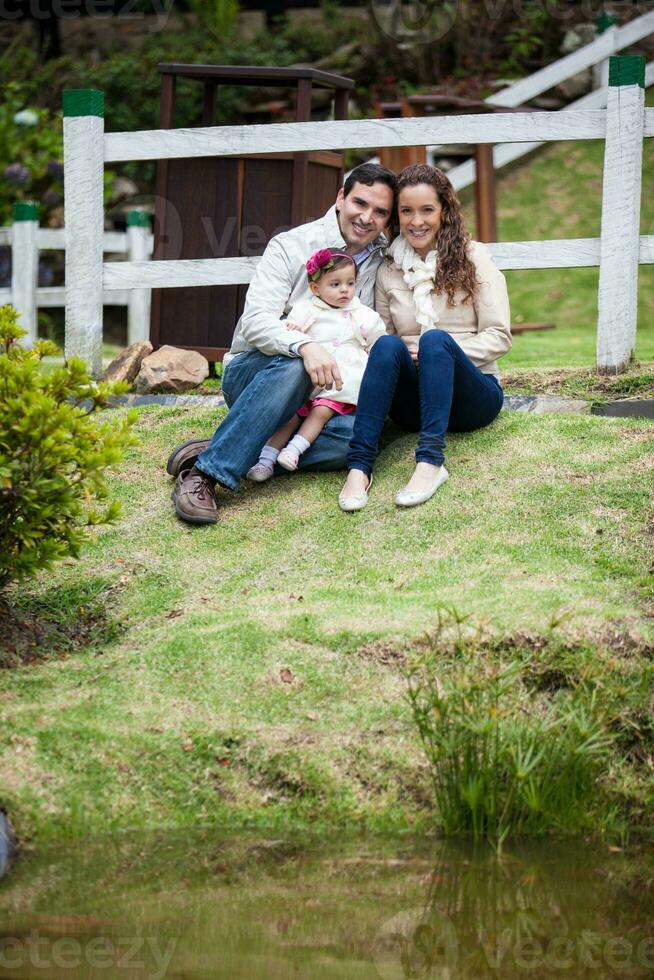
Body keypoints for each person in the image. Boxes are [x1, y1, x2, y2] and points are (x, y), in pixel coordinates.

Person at [167, 162, 397, 525]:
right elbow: (256, 323)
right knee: (296, 367)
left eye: (380, 212)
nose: (367, 217)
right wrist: (305, 346)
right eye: (360, 203)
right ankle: (205, 475)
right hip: (260, 373)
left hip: (327, 392)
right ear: (340, 198)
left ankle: (237, 443)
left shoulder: (383, 259)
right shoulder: (291, 245)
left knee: (359, 436)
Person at [338, 164, 511, 512]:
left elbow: (499, 337)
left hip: (473, 396)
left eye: (427, 210)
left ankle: (430, 463)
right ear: (397, 216)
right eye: (407, 211)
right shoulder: (389, 269)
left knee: (434, 341)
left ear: (444, 211)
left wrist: (442, 353)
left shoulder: (475, 258)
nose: (417, 221)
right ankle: (359, 467)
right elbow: (382, 342)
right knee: (386, 344)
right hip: (413, 403)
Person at [246, 248, 387, 480]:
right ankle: (265, 461)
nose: (344, 290)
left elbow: (378, 340)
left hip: (341, 380)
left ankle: (293, 451)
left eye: (350, 283)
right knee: (291, 415)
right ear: (315, 288)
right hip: (309, 378)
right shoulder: (307, 308)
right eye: (335, 284)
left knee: (320, 412)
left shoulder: (361, 313)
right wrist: (293, 329)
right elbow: (290, 328)